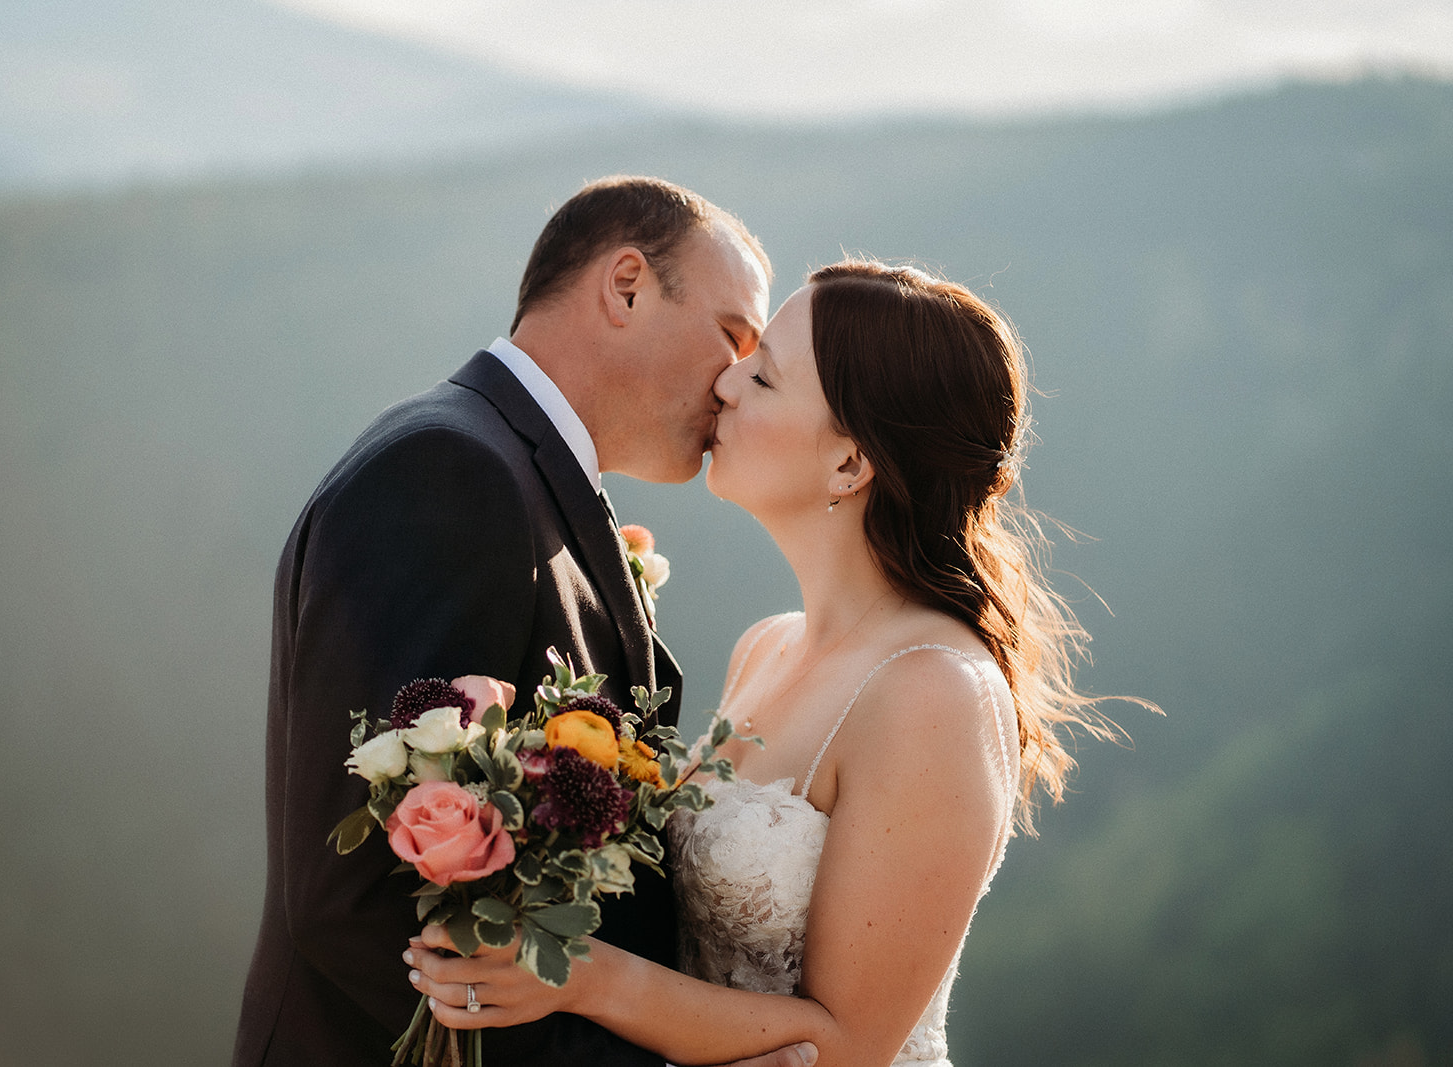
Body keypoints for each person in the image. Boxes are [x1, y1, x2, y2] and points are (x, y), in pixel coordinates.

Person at [403, 260, 1130, 1066]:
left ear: (850, 464)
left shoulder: (934, 693)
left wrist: (578, 974)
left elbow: (851, 1045)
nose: (725, 384)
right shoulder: (765, 646)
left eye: (766, 376)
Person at [232, 176, 815, 1067]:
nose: (737, 378)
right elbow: (355, 899)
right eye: (733, 335)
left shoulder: (514, 475)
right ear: (625, 287)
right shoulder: (447, 473)